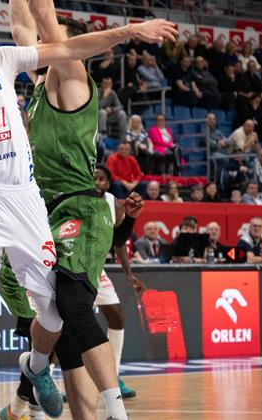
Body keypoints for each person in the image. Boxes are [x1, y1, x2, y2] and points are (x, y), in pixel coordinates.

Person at [0, 0, 170, 420]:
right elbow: (22, 29)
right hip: (40, 212)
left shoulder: (71, 78)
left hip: (79, 207)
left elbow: (45, 21)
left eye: (54, 44)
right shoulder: (36, 86)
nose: (44, 47)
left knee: (73, 305)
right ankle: (43, 383)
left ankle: (110, 408)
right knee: (61, 322)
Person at [90, 167, 144, 400]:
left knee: (117, 316)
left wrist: (128, 273)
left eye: (102, 179)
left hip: (95, 268)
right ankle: (49, 379)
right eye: (94, 177)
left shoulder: (115, 204)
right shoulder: (76, 195)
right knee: (59, 323)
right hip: (72, 264)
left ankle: (113, 376)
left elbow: (119, 242)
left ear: (108, 184)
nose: (97, 182)